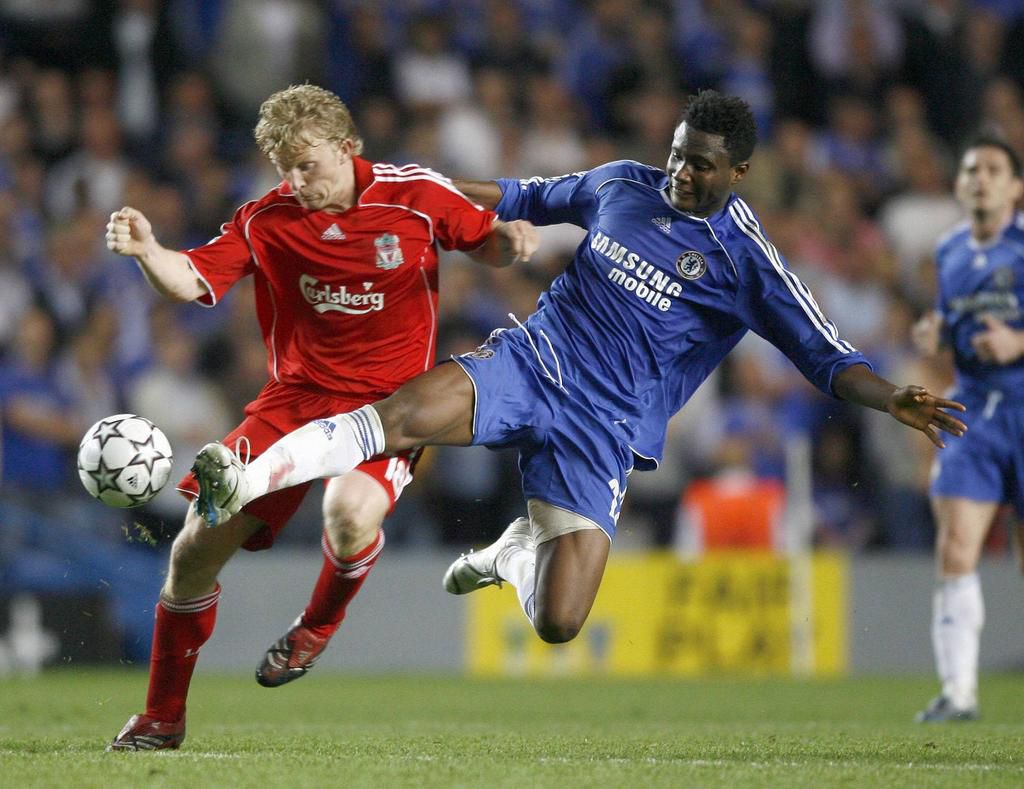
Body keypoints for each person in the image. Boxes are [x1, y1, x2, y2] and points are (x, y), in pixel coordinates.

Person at [190, 89, 967, 666]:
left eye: (699, 164)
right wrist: (408, 190)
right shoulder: (622, 184)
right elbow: (522, 198)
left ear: (740, 170)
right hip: (535, 361)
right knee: (404, 412)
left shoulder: (745, 261)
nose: (679, 173)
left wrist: (890, 394)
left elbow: (826, 355)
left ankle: (510, 554)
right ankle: (248, 474)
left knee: (560, 621)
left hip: (605, 426)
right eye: (674, 152)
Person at [103, 83, 537, 751]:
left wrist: (511, 241)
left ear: (347, 148)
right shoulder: (264, 219)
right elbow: (193, 279)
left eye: (308, 165)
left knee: (349, 513)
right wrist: (148, 252)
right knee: (193, 551)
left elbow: (485, 242)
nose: (297, 182)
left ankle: (317, 625)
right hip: (293, 402)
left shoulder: (412, 193)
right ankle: (162, 717)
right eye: (285, 169)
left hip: (391, 411)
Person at [910, 133, 1024, 723]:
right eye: (971, 169)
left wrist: (1019, 341)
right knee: (955, 546)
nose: (980, 178)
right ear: (958, 184)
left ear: (1015, 187)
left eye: (994, 170)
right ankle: (958, 693)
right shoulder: (950, 250)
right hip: (974, 410)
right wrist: (936, 334)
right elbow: (955, 325)